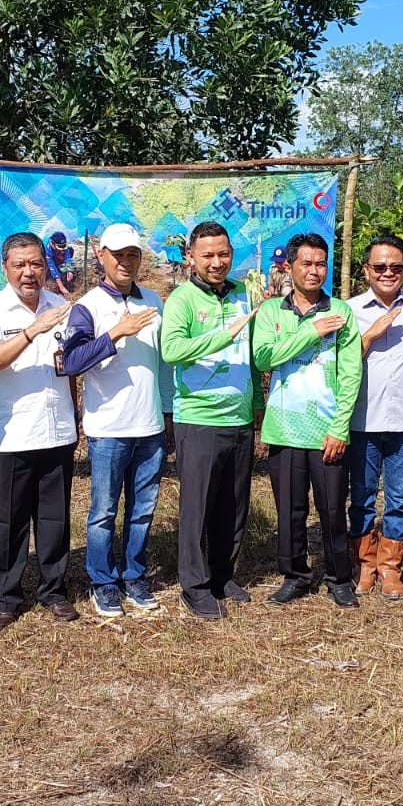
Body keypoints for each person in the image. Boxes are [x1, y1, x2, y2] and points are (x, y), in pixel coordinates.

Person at [58, 223, 170, 617]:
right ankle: (103, 582)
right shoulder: (87, 306)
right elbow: (70, 362)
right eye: (118, 254)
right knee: (104, 511)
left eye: (133, 254)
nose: (126, 261)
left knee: (142, 509)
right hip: (108, 430)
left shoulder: (154, 300)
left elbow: (164, 363)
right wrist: (116, 333)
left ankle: (135, 575)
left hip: (150, 426)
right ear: (101, 256)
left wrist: (167, 413)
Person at [0, 232, 79, 630]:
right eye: (20, 265)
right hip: (14, 435)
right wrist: (31, 331)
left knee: (55, 519)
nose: (29, 272)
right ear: (6, 268)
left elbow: (67, 365)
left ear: (46, 265)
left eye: (36, 263)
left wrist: (77, 414)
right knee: (10, 522)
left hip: (58, 430)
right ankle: (5, 597)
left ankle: (53, 590)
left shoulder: (61, 307)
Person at [252, 234, 361, 607]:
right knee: (290, 510)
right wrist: (310, 331)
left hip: (326, 430)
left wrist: (340, 427)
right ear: (290, 267)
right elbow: (264, 358)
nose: (314, 271)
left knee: (331, 508)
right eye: (306, 263)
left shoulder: (341, 312)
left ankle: (338, 577)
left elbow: (351, 374)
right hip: (283, 428)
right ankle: (294, 574)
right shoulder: (270, 312)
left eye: (320, 264)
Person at [160, 221, 259, 620]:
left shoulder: (243, 293)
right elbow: (172, 350)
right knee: (198, 508)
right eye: (207, 255)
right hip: (199, 418)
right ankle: (195, 586)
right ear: (191, 258)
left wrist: (258, 403)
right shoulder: (182, 299)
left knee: (233, 505)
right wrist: (226, 333)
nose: (217, 262)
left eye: (223, 254)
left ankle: (223, 575)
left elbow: (255, 351)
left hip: (239, 416)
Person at [347, 235, 403, 599]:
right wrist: (369, 336)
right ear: (366, 270)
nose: (387, 273)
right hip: (362, 420)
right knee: (362, 496)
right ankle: (364, 565)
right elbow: (342, 365)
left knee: (399, 497)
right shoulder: (349, 310)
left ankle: (390, 567)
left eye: (395, 267)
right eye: (379, 267)